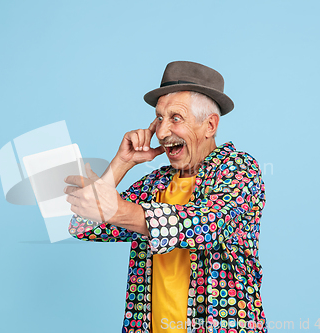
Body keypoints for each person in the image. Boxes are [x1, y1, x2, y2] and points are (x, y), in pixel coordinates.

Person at [65, 61, 267, 333]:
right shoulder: (155, 182)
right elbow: (83, 226)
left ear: (209, 125)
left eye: (175, 118)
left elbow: (207, 225)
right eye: (159, 118)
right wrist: (121, 164)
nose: (160, 132)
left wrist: (119, 210)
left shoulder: (238, 170)